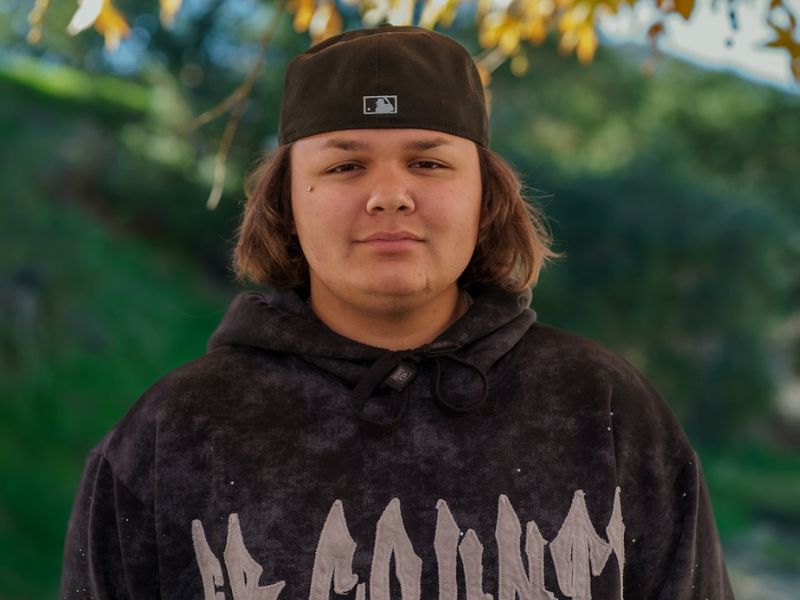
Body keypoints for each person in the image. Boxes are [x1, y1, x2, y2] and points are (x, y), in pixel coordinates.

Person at [60, 25, 734, 600]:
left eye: (428, 163)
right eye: (345, 166)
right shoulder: (174, 434)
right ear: (287, 202)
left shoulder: (603, 408)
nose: (390, 195)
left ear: (486, 196)